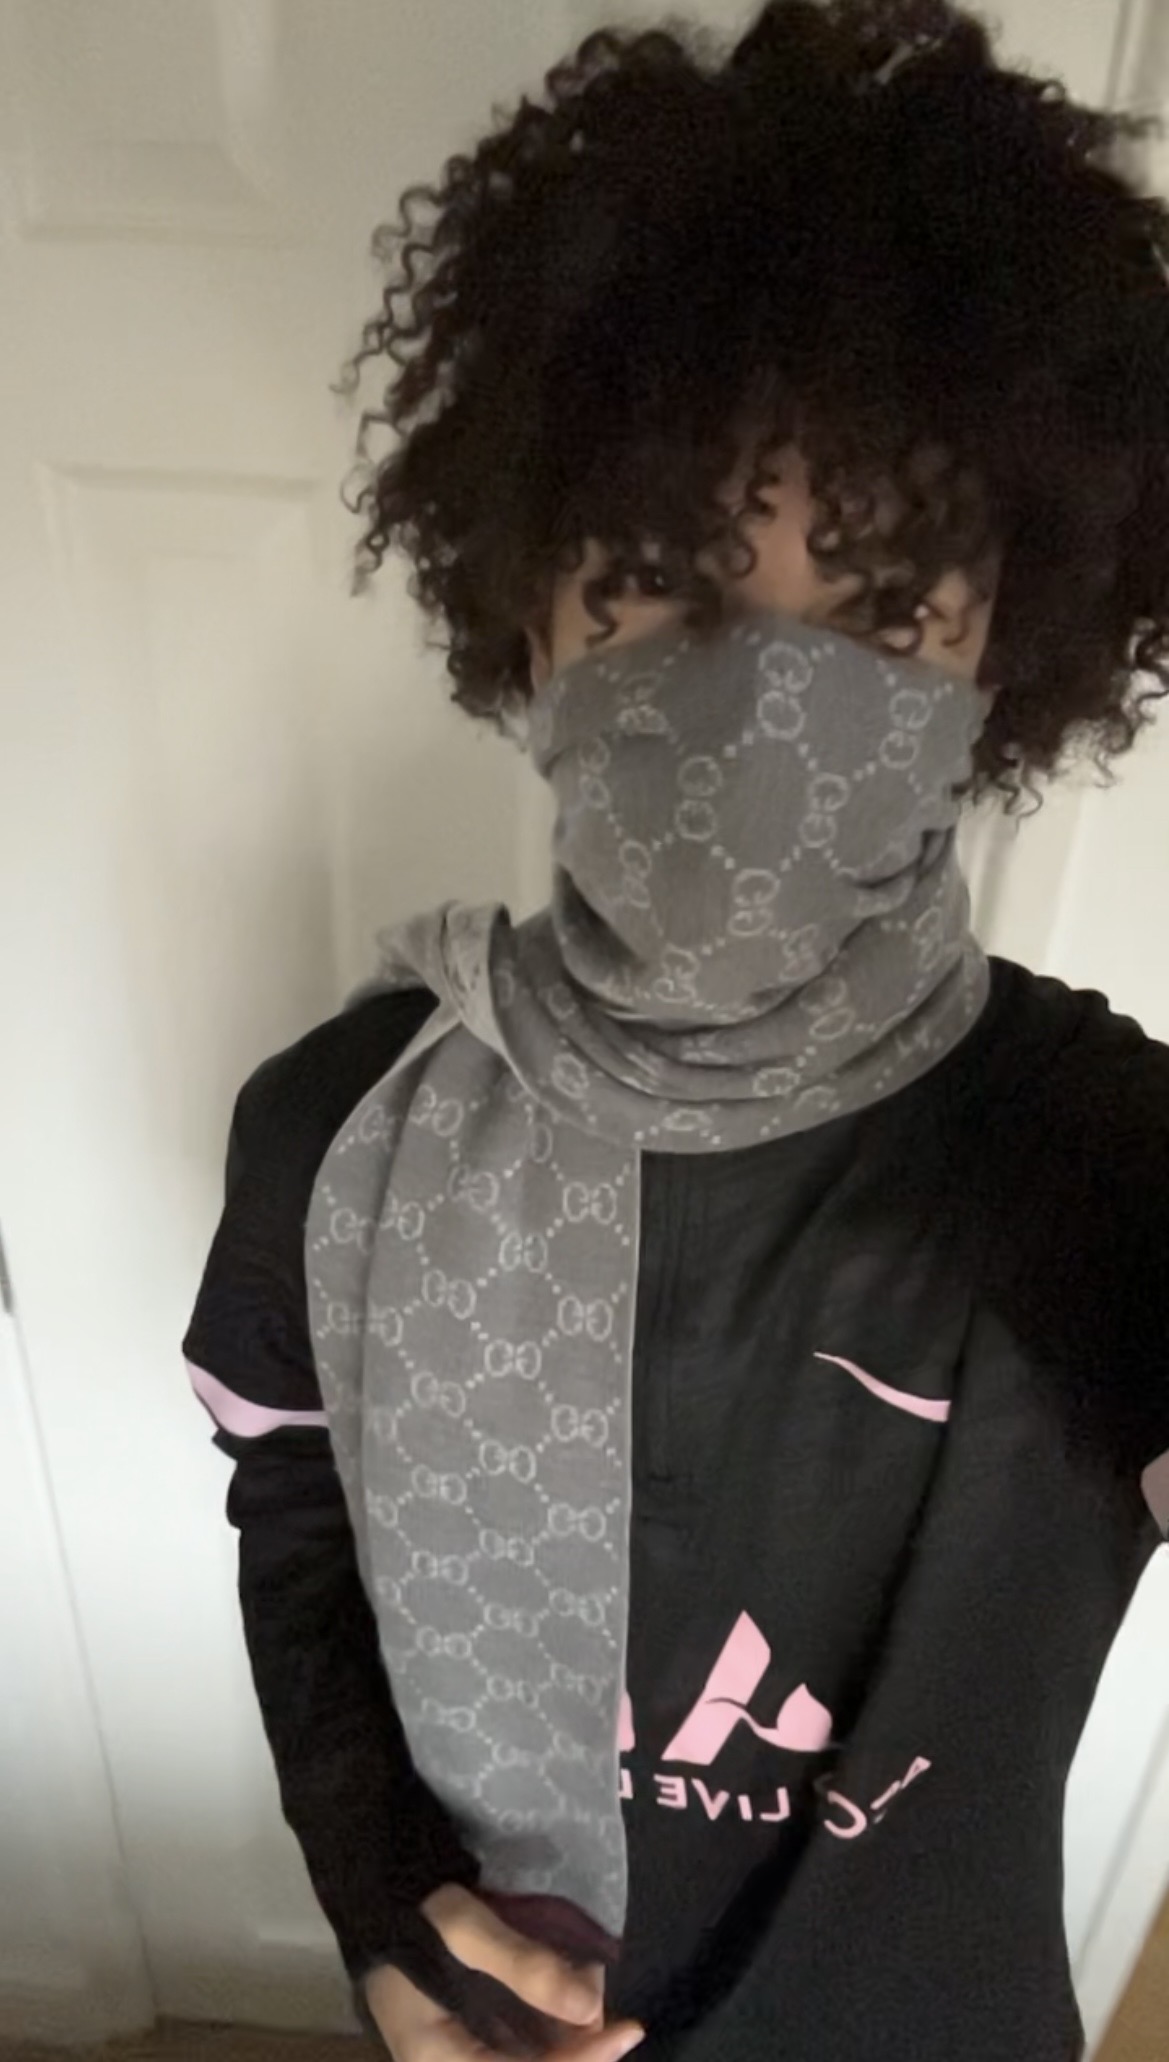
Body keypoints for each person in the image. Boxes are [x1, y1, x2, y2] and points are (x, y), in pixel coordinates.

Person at [182, 4, 1169, 2058]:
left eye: (880, 610)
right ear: (526, 612)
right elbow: (294, 1507)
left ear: (1007, 648)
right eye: (659, 583)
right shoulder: (336, 1135)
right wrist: (381, 1911)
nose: (760, 707)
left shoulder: (1096, 1164)